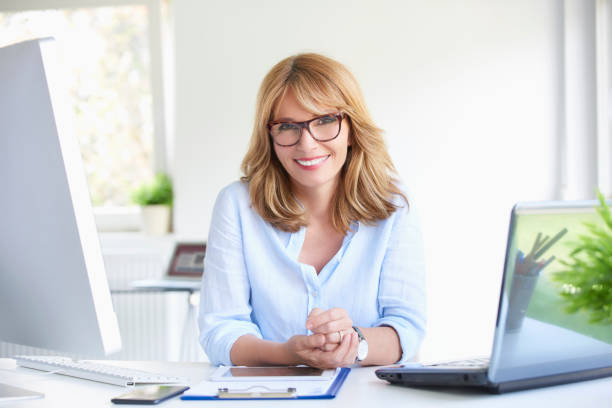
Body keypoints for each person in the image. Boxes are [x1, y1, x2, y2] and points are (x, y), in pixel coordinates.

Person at [198, 53, 425, 369]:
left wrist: (353, 342)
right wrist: (290, 353)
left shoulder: (392, 206)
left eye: (325, 121)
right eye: (288, 126)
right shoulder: (237, 205)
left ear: (351, 128)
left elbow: (406, 328)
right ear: (270, 134)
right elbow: (220, 330)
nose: (307, 144)